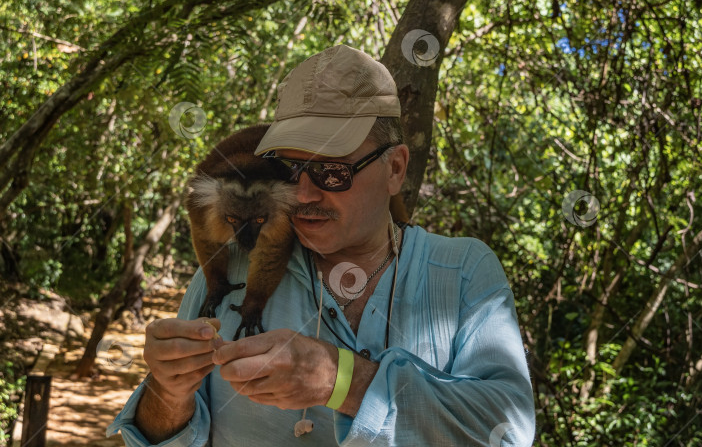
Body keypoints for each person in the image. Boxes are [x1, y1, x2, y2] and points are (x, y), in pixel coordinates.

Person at [108, 45, 535, 446]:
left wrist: (342, 380)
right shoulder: (232, 270)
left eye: (333, 172)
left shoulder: (460, 271)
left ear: (396, 169)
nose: (305, 195)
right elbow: (165, 433)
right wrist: (167, 390)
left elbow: (509, 431)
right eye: (290, 172)